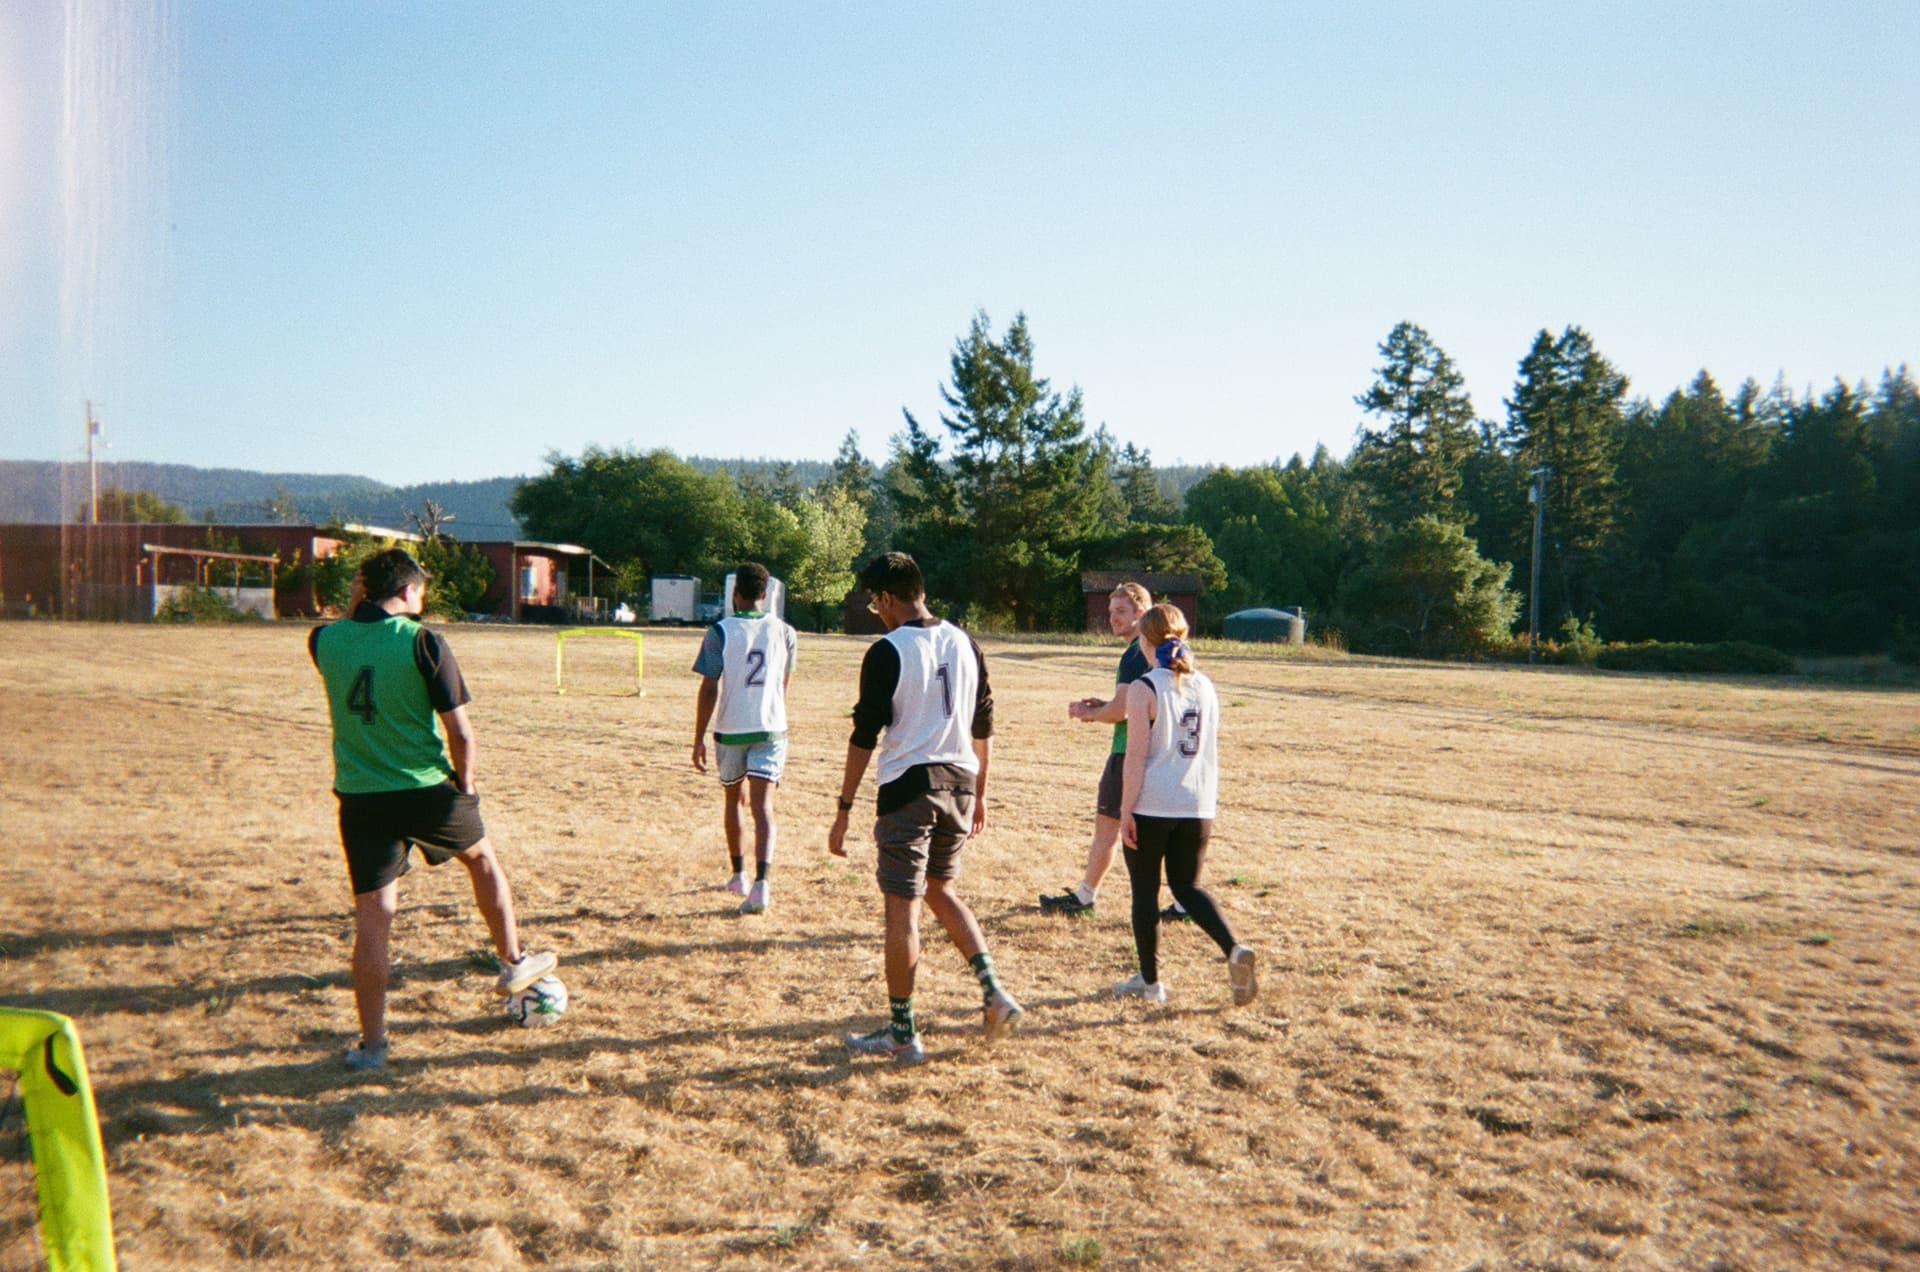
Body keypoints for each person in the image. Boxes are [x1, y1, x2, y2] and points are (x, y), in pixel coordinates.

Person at [309, 548, 557, 1070]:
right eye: (419, 587)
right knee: (483, 861)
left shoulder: (323, 640)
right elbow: (460, 732)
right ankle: (513, 962)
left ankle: (373, 1046)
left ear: (361, 589)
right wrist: (464, 788)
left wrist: (356, 601)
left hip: (360, 797)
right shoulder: (423, 642)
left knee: (374, 919)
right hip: (425, 788)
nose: (422, 595)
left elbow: (350, 629)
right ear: (405, 592)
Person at [828, 551, 1022, 1064]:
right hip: (961, 782)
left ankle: (902, 1031)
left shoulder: (887, 650)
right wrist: (980, 791)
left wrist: (844, 805)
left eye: (876, 604)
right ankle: (994, 991)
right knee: (941, 890)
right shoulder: (965, 641)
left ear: (888, 598)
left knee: (903, 910)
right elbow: (983, 723)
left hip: (908, 789)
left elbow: (864, 734)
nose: (878, 613)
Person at [1113, 602, 1256, 1007]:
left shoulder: (1145, 687)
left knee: (1145, 892)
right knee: (1187, 887)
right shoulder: (1206, 686)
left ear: (1146, 639)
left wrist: (1125, 811)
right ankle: (1233, 949)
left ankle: (1151, 981)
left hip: (1153, 802)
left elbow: (1136, 757)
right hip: (1197, 803)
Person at [1041, 580, 1153, 917]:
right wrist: (1105, 705)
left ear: (1141, 612)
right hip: (1153, 752)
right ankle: (1180, 901)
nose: (1113, 618)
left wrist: (1092, 714)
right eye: (1110, 612)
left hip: (1126, 753)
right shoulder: (1154, 651)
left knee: (1107, 829)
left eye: (1121, 611)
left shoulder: (1134, 654)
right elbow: (1135, 704)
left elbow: (1124, 710)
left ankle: (1085, 897)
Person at [691, 562, 797, 915]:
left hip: (731, 728)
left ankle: (738, 874)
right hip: (770, 727)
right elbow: (783, 684)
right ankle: (762, 884)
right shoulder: (785, 632)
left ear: (735, 593)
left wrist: (698, 738)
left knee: (733, 802)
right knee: (763, 807)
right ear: (765, 596)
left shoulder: (719, 631)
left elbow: (709, 688)